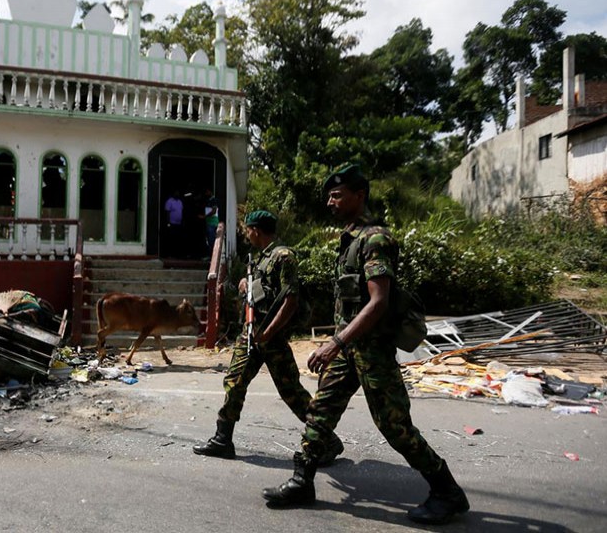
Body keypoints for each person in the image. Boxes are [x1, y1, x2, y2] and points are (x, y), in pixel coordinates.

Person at [262, 165, 470, 526]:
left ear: (360, 196)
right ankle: (302, 480)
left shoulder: (375, 239)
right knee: (320, 412)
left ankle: (447, 491)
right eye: (328, 195)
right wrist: (339, 345)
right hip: (349, 349)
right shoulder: (350, 239)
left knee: (394, 425)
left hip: (370, 349)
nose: (330, 201)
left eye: (337, 195)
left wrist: (334, 343)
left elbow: (379, 302)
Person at [193, 209, 344, 467]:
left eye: (248, 229)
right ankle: (222, 438)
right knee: (234, 382)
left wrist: (270, 332)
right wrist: (244, 284)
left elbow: (291, 299)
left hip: (270, 337)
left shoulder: (282, 256)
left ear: (256, 229)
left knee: (291, 392)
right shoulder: (260, 260)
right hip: (251, 335)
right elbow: (258, 294)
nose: (246, 234)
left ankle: (326, 439)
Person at [164, 189, 183, 258]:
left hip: (178, 223)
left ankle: (176, 254)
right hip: (171, 223)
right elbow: (167, 212)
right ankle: (169, 254)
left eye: (178, 193)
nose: (177, 194)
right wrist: (168, 223)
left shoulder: (180, 202)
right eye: (176, 192)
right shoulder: (169, 201)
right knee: (171, 239)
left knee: (177, 239)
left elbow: (181, 211)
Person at [203, 188, 220, 253]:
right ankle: (210, 254)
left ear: (210, 192)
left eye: (207, 192)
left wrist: (204, 216)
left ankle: (213, 254)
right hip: (209, 222)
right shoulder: (208, 200)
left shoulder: (213, 200)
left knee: (212, 240)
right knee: (209, 240)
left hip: (213, 223)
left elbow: (214, 211)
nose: (206, 194)